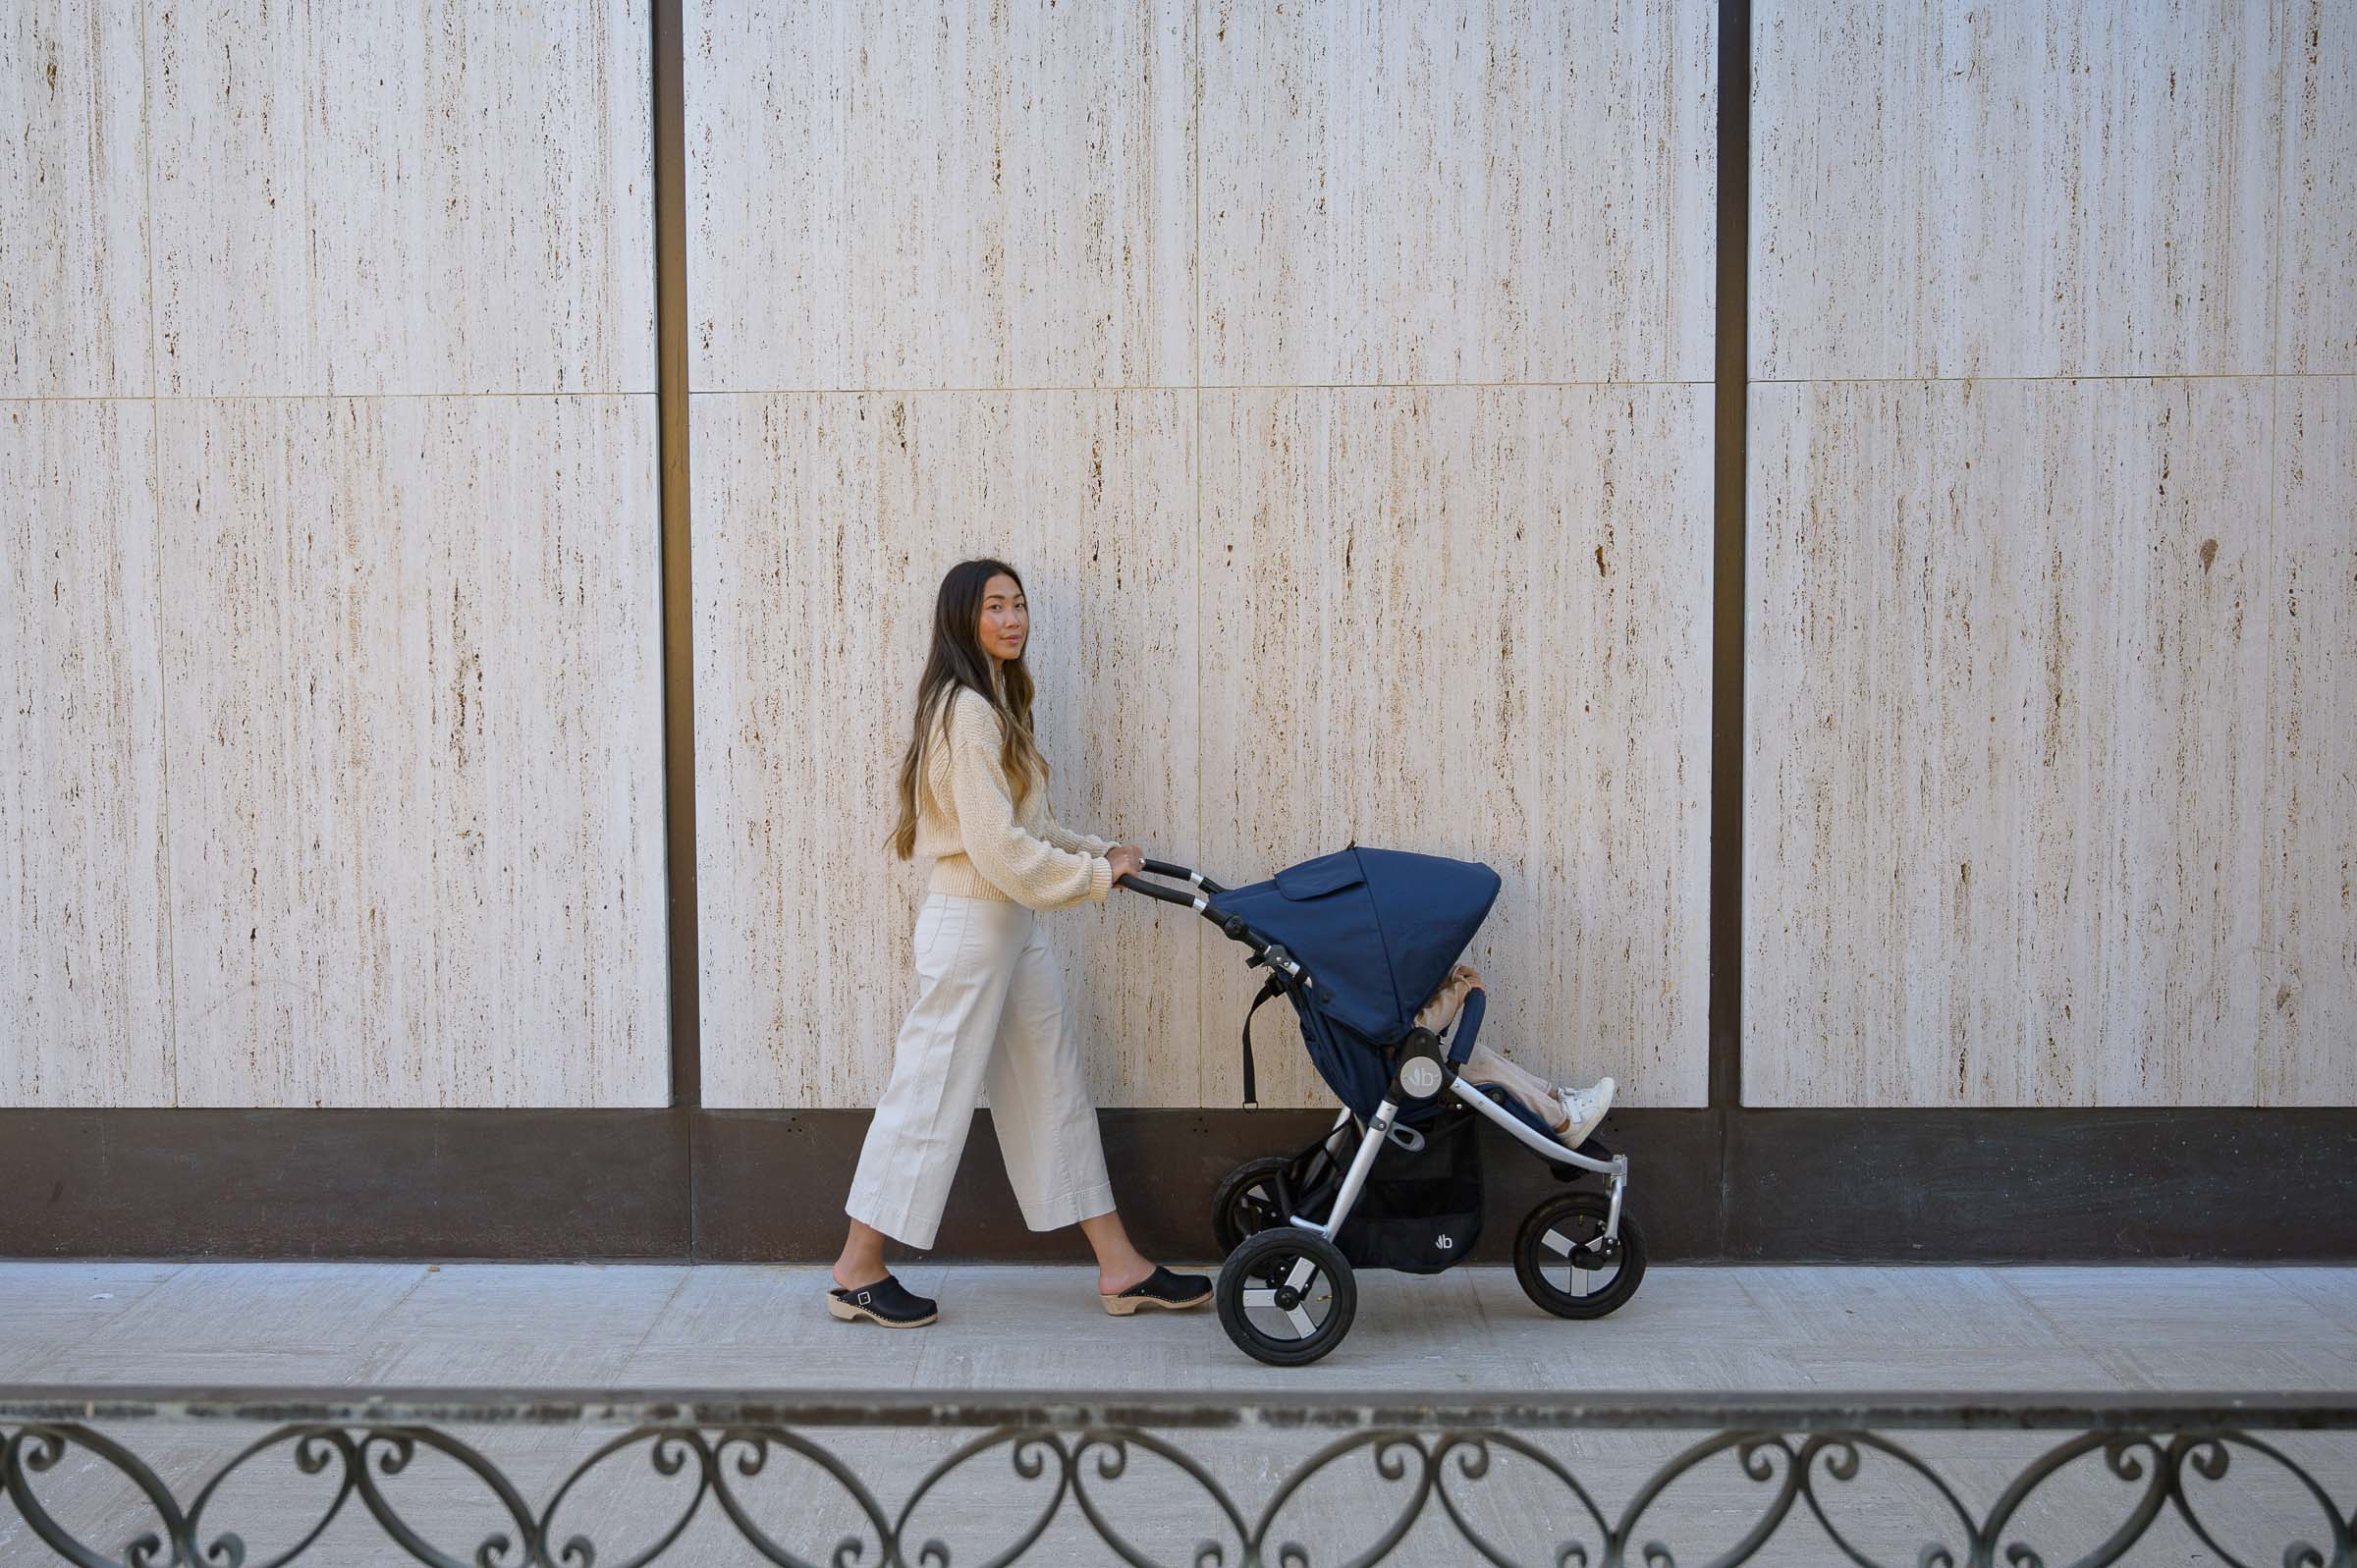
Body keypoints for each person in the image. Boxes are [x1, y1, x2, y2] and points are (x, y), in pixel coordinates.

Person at [829, 558, 1211, 1328]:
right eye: (994, 607)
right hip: (973, 926)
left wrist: (1104, 851)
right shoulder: (964, 710)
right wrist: (1094, 878)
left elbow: (1027, 827)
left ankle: (1120, 1267)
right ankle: (856, 1269)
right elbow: (997, 849)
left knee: (1051, 1087)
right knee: (928, 1094)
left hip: (1011, 926)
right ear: (962, 619)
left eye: (1019, 605)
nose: (1012, 619)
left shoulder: (996, 702)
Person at [1415, 963, 1615, 1146]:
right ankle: (1563, 1123)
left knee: (1479, 1057)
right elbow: (1421, 1027)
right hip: (1408, 1072)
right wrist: (1462, 987)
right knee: (1479, 1065)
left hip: (1404, 1061)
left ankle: (1556, 1098)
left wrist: (1452, 974)